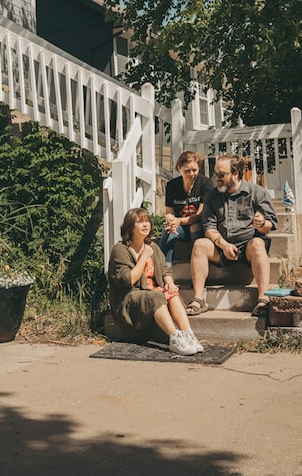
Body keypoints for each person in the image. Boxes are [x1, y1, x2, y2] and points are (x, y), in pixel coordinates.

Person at [185, 154, 277, 318]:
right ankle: (198, 299)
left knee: (257, 243)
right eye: (216, 174)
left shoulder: (256, 192)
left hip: (248, 247)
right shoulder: (212, 196)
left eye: (221, 175)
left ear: (235, 173)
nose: (217, 179)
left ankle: (263, 299)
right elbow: (209, 228)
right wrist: (224, 245)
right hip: (221, 248)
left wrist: (262, 224)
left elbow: (270, 225)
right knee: (200, 244)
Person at [107, 207, 203, 356]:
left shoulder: (153, 247)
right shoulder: (120, 250)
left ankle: (187, 335)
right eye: (140, 222)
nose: (145, 224)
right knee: (156, 295)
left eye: (147, 221)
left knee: (172, 293)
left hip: (151, 294)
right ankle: (174, 338)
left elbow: (165, 270)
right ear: (129, 226)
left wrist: (169, 282)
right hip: (129, 298)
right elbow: (128, 280)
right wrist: (144, 257)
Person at [159, 151, 215, 265]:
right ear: (179, 169)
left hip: (200, 227)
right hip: (180, 228)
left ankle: (197, 264)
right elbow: (169, 212)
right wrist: (171, 221)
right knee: (168, 230)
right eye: (187, 170)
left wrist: (178, 221)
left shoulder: (206, 184)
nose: (191, 174)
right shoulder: (172, 185)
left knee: (194, 226)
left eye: (194, 170)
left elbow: (200, 215)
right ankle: (165, 267)